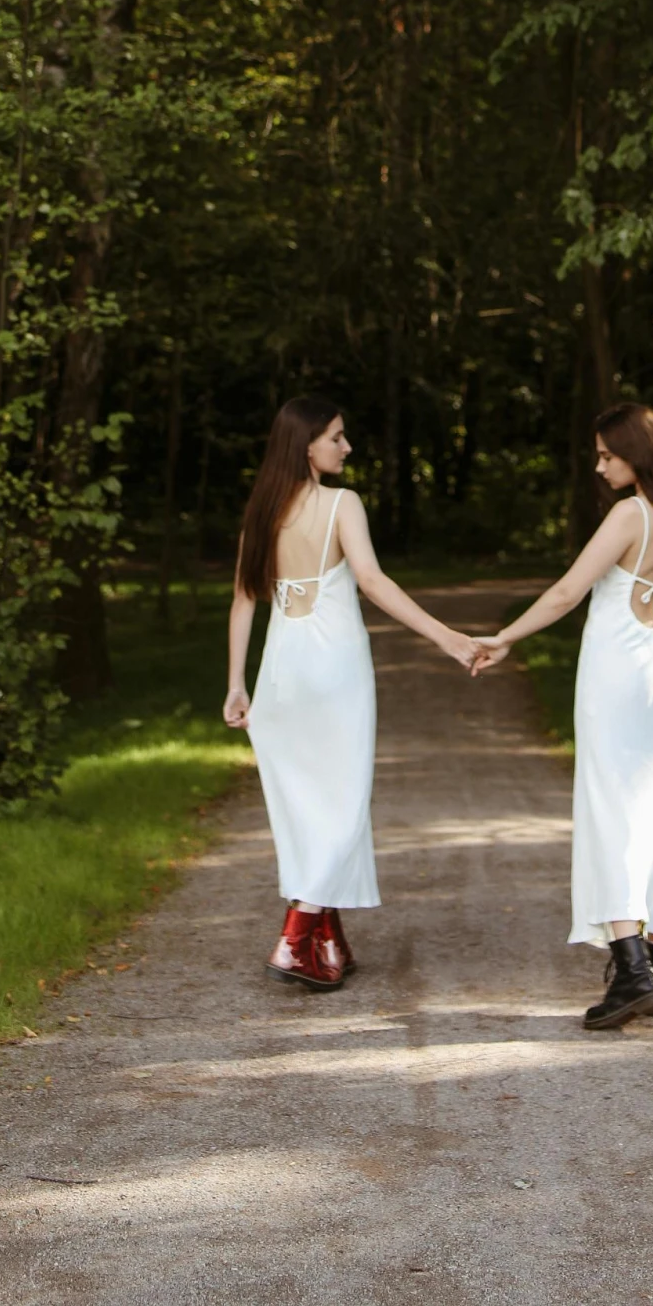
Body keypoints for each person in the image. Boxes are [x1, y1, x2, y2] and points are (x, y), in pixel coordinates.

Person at [471, 401, 653, 1030]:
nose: (599, 467)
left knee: (609, 810)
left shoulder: (630, 517)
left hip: (616, 677)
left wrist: (506, 636)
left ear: (638, 456)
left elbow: (569, 590)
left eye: (607, 455)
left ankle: (634, 974)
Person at [224, 396, 480, 990]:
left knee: (304, 802)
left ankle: (326, 936)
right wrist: (446, 637)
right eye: (336, 437)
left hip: (280, 672)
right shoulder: (343, 504)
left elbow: (243, 600)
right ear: (306, 445)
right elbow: (371, 580)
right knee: (341, 798)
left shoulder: (261, 511)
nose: (346, 447)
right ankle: (295, 936)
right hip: (334, 667)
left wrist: (237, 683)